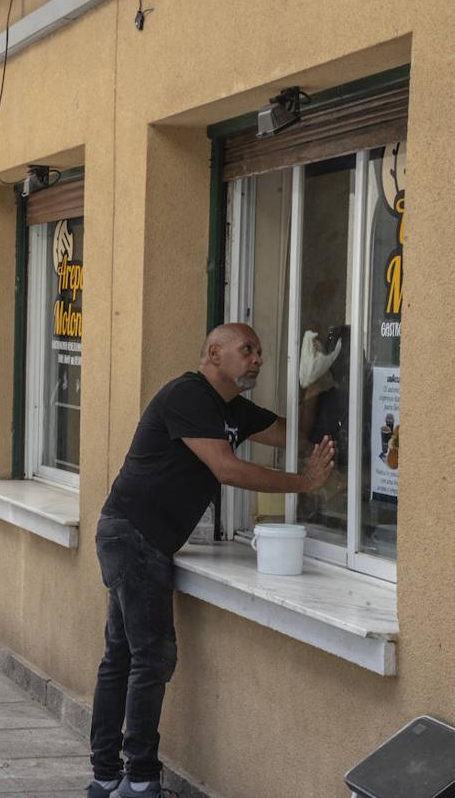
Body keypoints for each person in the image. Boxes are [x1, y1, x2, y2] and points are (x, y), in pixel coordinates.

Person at [87, 323, 335, 798]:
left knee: (124, 657)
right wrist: (303, 484)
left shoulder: (232, 410)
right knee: (150, 658)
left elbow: (295, 435)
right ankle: (138, 780)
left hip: (140, 539)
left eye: (260, 352)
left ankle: (106, 776)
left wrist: (316, 386)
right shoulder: (188, 395)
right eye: (248, 350)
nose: (258, 359)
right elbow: (226, 467)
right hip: (132, 536)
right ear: (213, 354)